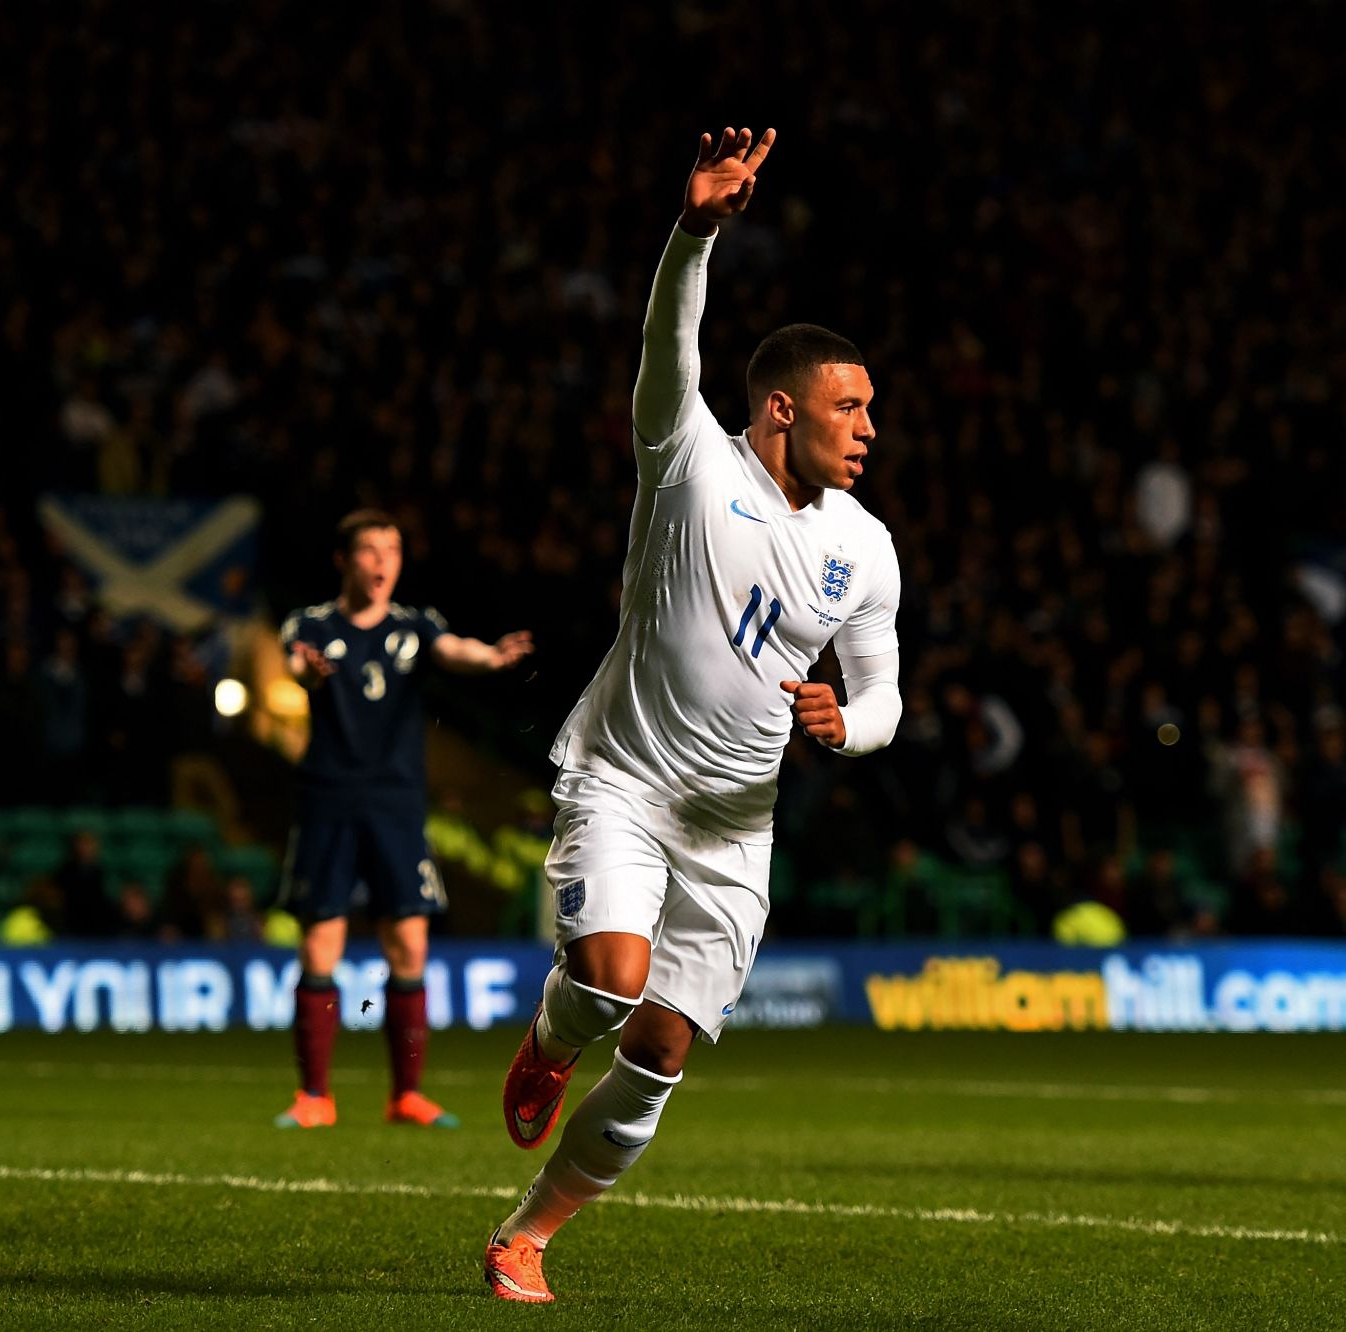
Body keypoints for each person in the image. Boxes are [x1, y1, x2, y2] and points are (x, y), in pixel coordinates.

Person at [483, 128, 904, 1302]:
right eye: (850, 405)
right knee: (611, 980)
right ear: (780, 408)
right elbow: (669, 339)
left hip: (736, 826)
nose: (870, 427)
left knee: (663, 1053)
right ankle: (553, 1042)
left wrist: (846, 726)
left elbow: (884, 698)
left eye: (873, 408)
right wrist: (696, 231)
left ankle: (528, 1235)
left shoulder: (865, 551)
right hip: (623, 779)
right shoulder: (688, 461)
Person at [274, 509, 533, 1130]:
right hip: (329, 799)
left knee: (410, 945)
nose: (383, 561)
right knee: (321, 943)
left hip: (395, 802)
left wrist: (491, 658)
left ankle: (407, 1094)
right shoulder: (309, 624)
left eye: (391, 549)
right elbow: (293, 664)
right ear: (345, 560)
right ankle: (315, 1096)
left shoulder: (414, 627)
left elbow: (454, 650)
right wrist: (303, 673)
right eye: (369, 550)